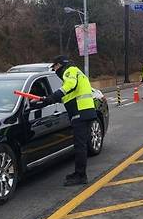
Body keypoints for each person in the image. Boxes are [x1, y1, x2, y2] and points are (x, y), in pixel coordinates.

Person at [33, 55, 96, 186]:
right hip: (84, 111)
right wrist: (45, 100)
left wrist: (51, 97)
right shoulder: (77, 72)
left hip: (80, 112)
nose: (55, 70)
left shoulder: (70, 71)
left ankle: (80, 175)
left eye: (55, 67)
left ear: (60, 65)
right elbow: (67, 96)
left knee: (80, 146)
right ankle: (79, 173)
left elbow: (70, 86)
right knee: (81, 145)